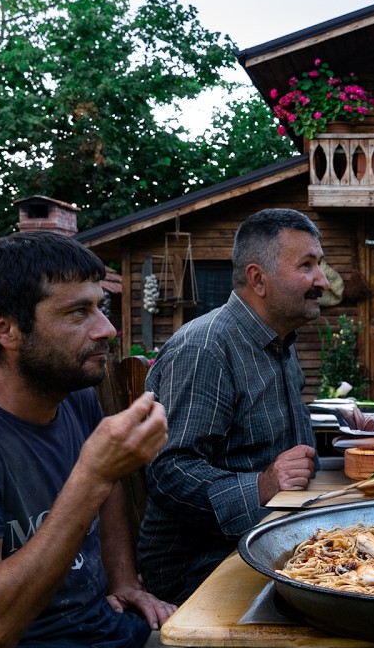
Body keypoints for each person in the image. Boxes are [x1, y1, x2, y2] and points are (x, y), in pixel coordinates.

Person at [0, 230, 236, 648]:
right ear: (3, 328)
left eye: (99, 307)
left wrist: (123, 580)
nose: (106, 329)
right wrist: (91, 476)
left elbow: (111, 490)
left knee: (275, 646)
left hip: (107, 639)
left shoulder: (71, 396)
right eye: (78, 312)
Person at [139, 208, 324, 603]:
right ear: (258, 278)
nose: (321, 280)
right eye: (306, 266)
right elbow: (168, 473)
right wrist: (262, 484)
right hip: (200, 567)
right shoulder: (205, 348)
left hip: (266, 535)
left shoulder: (279, 342)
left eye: (319, 265)